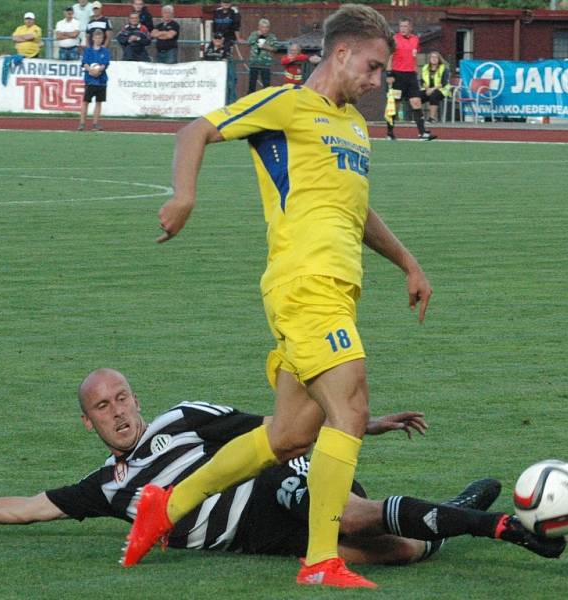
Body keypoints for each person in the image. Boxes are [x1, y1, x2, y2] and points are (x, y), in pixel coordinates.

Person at [124, 4, 435, 589]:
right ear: (340, 53)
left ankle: (165, 505)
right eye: (372, 67)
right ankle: (321, 560)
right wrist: (184, 196)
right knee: (352, 410)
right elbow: (197, 130)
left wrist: (407, 262)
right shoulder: (286, 104)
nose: (377, 82)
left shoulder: (355, 127)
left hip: (338, 291)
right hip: (304, 285)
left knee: (289, 434)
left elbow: (354, 208)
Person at [0, 369, 566, 567]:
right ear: (88, 423)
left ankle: (502, 525)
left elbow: (279, 430)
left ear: (136, 398)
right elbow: (26, 507)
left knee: (345, 514)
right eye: (102, 407)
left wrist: (365, 422)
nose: (118, 411)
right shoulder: (107, 487)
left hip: (279, 488)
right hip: (261, 540)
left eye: (121, 397)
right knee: (398, 551)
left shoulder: (183, 418)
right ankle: (451, 514)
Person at [385, 18, 435, 141]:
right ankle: (390, 132)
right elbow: (389, 57)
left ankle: (422, 133)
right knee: (395, 105)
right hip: (397, 75)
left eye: (405, 26)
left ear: (410, 28)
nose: (403, 29)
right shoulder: (394, 39)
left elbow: (414, 57)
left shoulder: (415, 39)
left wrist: (415, 71)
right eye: (401, 26)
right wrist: (389, 74)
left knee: (416, 102)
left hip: (411, 76)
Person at [78, 28, 109, 132]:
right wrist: (90, 70)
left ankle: (95, 123)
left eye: (100, 37)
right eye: (96, 37)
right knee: (86, 101)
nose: (98, 39)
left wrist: (98, 70)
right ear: (93, 38)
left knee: (99, 102)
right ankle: (82, 123)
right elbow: (85, 63)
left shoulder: (105, 51)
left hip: (101, 80)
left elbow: (105, 64)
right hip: (90, 80)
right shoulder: (88, 50)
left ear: (102, 39)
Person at [246, 19, 278, 94]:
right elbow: (249, 42)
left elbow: (276, 48)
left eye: (267, 27)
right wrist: (257, 35)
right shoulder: (254, 34)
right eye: (263, 27)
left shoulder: (272, 36)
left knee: (266, 85)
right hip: (254, 63)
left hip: (265, 64)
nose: (265, 29)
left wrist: (266, 47)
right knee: (252, 84)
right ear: (259, 27)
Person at [203, 32, 235, 103]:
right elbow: (205, 59)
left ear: (222, 40)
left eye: (219, 39)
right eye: (216, 38)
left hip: (222, 75)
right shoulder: (209, 49)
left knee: (229, 86)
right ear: (213, 40)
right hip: (210, 74)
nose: (217, 40)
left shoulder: (226, 48)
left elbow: (226, 60)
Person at [420, 50, 451, 123]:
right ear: (429, 59)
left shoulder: (444, 69)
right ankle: (419, 117)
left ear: (439, 59)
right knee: (416, 96)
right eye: (432, 57)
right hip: (428, 89)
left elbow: (444, 83)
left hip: (441, 90)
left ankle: (432, 118)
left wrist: (432, 89)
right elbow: (422, 81)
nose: (434, 59)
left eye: (436, 57)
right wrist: (427, 89)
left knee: (434, 95)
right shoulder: (425, 68)